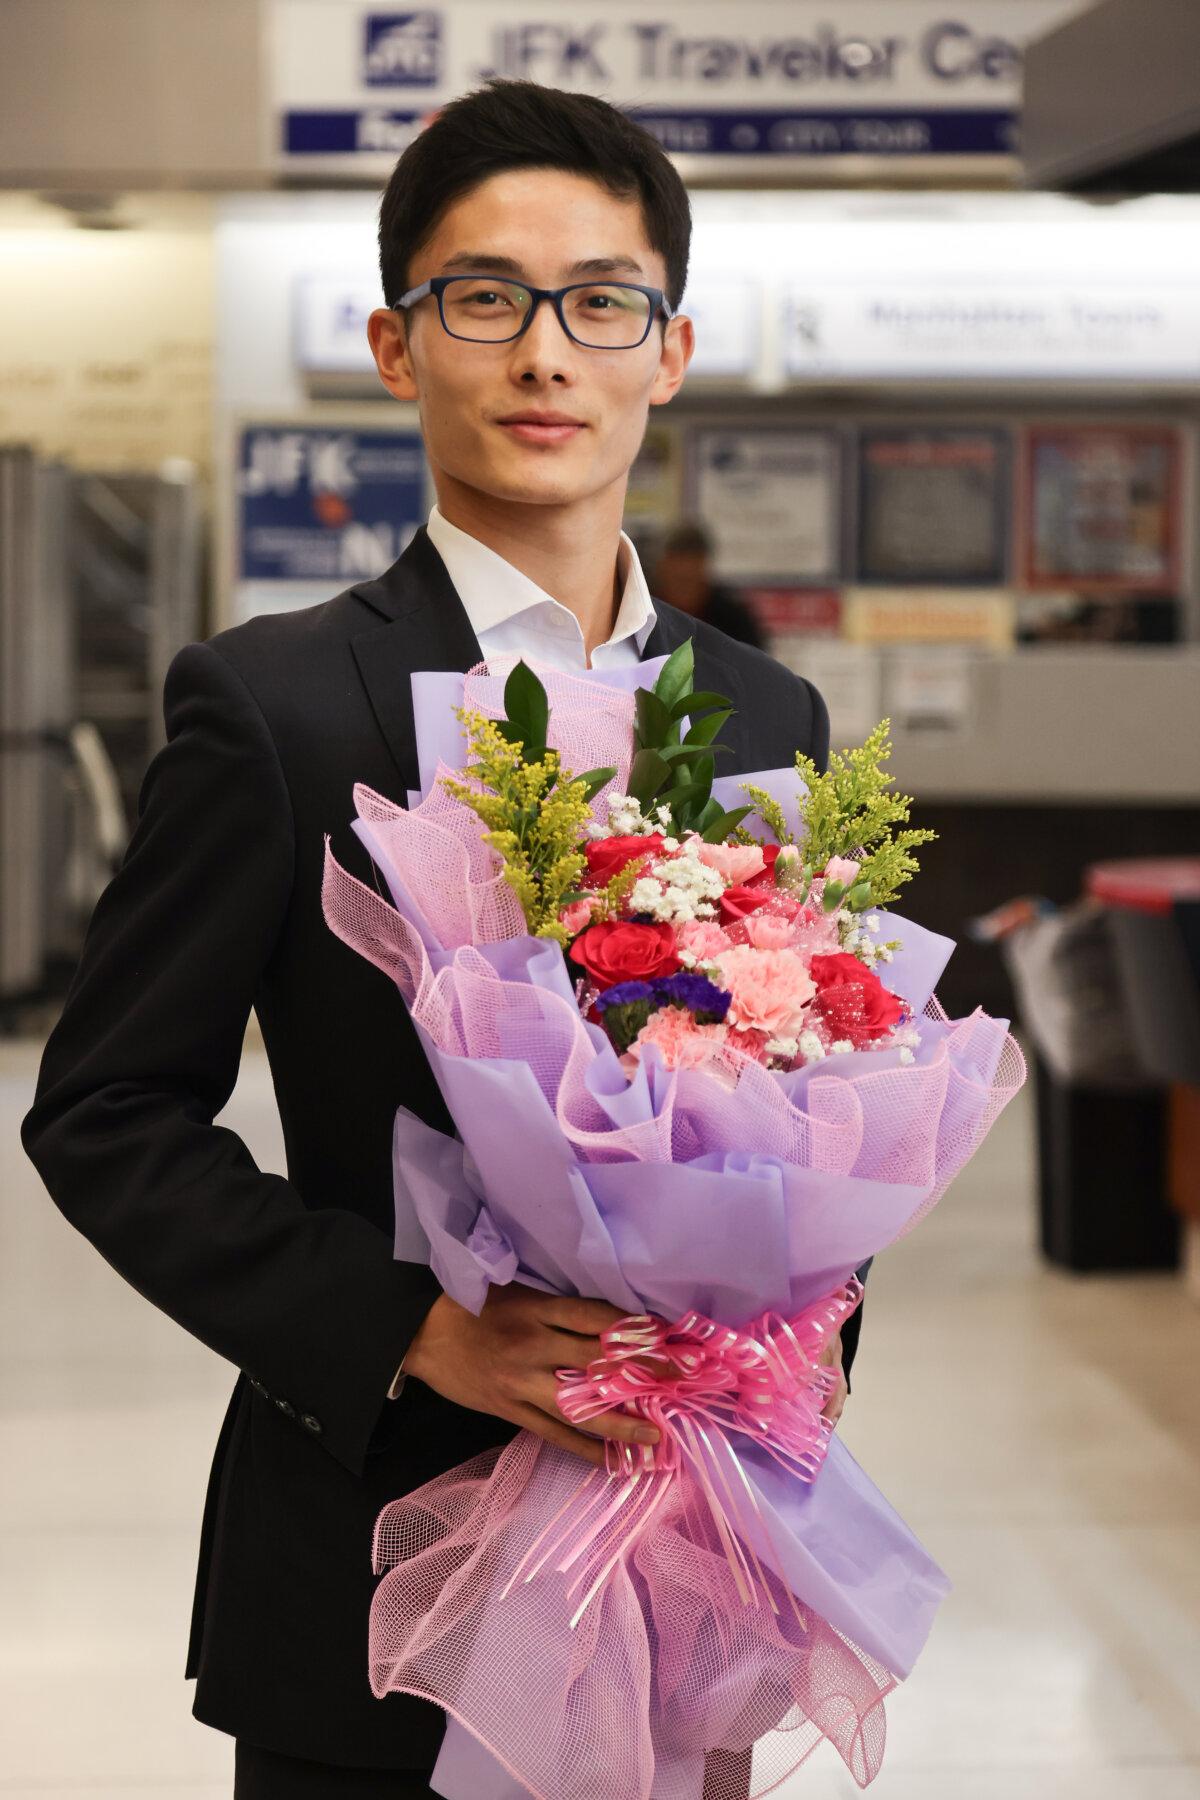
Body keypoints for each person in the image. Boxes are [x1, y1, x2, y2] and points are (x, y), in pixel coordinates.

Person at [20, 77, 866, 1799]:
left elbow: (829, 1102)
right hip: (370, 1549)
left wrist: (787, 1379)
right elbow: (105, 1113)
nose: (545, 355)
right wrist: (414, 1328)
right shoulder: (273, 705)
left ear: (669, 351)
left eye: (599, 303)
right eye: (485, 300)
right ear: (397, 347)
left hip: (690, 1558)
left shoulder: (766, 712)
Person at [652, 519, 768, 650]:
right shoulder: (643, 611)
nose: (686, 570)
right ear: (661, 566)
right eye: (677, 560)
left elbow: (754, 659)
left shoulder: (733, 617)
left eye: (694, 560)